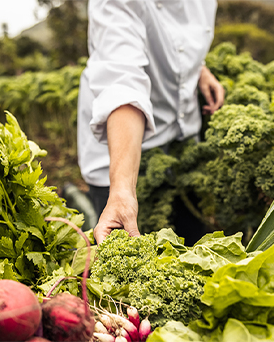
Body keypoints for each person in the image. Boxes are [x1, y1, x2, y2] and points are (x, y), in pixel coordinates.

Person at [77, 0, 225, 244]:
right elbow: (123, 85)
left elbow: (178, 38)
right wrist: (122, 191)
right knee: (131, 260)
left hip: (180, 136)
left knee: (192, 238)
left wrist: (199, 69)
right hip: (120, 150)